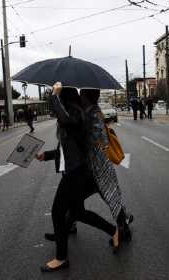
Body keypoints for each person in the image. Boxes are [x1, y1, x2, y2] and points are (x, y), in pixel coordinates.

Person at [36, 84, 119, 272]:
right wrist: (47, 155)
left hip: (77, 173)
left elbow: (65, 120)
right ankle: (114, 231)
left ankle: (61, 257)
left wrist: (54, 96)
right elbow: (67, 147)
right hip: (74, 171)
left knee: (58, 212)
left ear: (64, 99)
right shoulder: (72, 116)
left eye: (59, 99)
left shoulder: (75, 115)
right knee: (78, 212)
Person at [80, 88, 133, 248]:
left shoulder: (93, 113)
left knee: (109, 196)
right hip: (96, 164)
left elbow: (99, 137)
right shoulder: (90, 111)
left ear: (87, 97)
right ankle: (124, 225)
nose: (80, 96)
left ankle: (123, 230)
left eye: (82, 94)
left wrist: (84, 135)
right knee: (110, 196)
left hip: (99, 164)